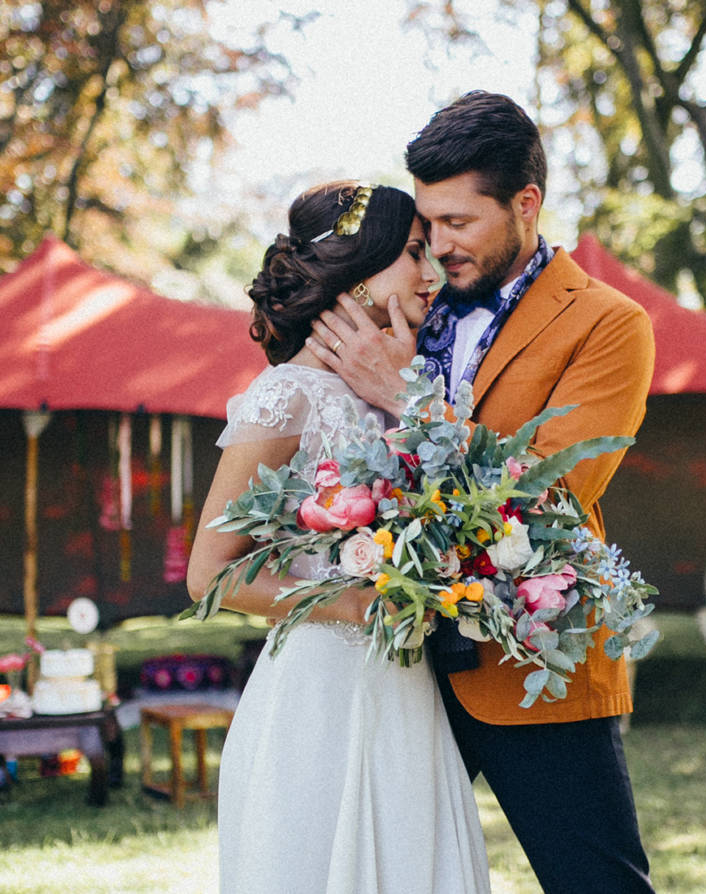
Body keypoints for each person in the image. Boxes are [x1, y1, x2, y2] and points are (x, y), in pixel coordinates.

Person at [306, 92, 658, 893]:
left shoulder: (610, 324)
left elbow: (554, 492)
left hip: (533, 661)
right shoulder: (405, 300)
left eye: (459, 223)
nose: (436, 245)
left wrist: (413, 403)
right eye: (427, 224)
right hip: (397, 668)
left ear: (525, 204)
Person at [186, 181, 490, 894]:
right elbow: (210, 573)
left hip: (409, 694)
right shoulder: (288, 395)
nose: (431, 273)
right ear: (358, 272)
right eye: (414, 253)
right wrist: (349, 604)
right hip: (317, 703)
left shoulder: (414, 387)